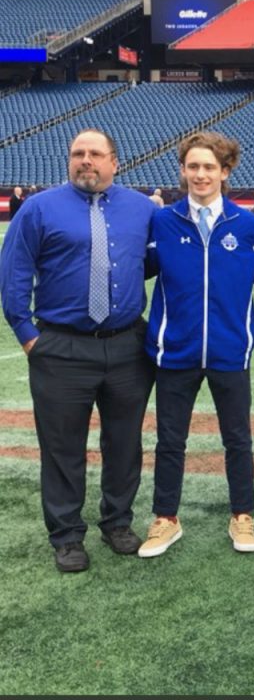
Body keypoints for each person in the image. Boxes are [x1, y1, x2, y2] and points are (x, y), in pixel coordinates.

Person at [0, 128, 155, 573]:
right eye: (77, 154)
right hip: (61, 347)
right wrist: (28, 334)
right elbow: (13, 274)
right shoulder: (38, 208)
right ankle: (66, 534)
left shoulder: (142, 209)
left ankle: (117, 521)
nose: (85, 161)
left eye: (95, 154)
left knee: (124, 442)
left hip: (127, 345)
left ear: (115, 161)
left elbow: (156, 263)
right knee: (62, 446)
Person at [138, 131, 254, 559]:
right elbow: (138, 272)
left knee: (238, 439)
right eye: (192, 166)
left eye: (209, 167)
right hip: (176, 351)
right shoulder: (163, 221)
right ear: (182, 170)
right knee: (170, 440)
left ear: (225, 172)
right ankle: (165, 519)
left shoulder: (246, 225)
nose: (200, 174)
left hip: (230, 352)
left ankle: (242, 514)